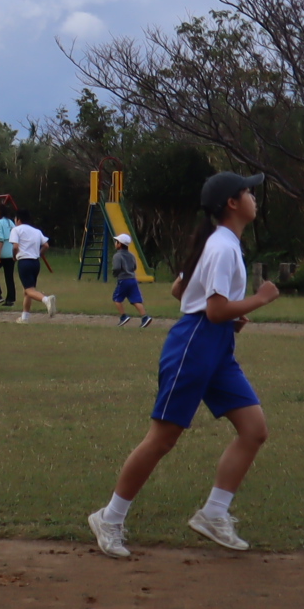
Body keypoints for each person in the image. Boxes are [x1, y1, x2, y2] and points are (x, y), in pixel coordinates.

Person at [87, 172, 281, 560]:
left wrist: (230, 314)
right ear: (231, 203)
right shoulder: (223, 246)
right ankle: (109, 517)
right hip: (194, 344)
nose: (253, 198)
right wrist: (259, 299)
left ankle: (214, 512)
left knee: (254, 430)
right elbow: (213, 309)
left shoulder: (220, 242)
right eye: (248, 192)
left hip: (215, 345)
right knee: (162, 438)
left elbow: (181, 289)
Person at [10, 209, 56, 321]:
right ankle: (25, 317)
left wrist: (14, 256)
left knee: (29, 290)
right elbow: (46, 245)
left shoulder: (16, 230)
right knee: (29, 290)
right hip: (35, 262)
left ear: (18, 219)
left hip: (24, 261)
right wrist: (38, 254)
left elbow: (15, 247)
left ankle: (46, 299)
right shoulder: (36, 231)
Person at [110, 232, 152, 327]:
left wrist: (115, 274)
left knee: (117, 298)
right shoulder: (131, 255)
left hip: (123, 280)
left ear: (120, 244)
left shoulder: (117, 256)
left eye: (116, 241)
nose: (115, 243)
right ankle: (145, 317)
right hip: (133, 279)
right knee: (135, 300)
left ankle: (123, 316)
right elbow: (134, 266)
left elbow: (116, 268)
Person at [0, 204, 18, 307]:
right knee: (9, 277)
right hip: (11, 253)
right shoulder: (11, 222)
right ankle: (10, 299)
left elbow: (0, 239)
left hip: (2, 253)